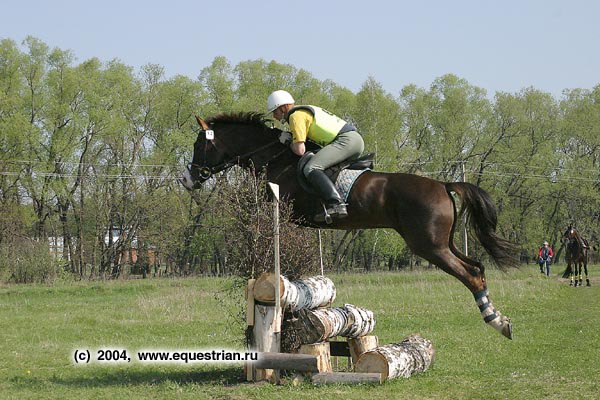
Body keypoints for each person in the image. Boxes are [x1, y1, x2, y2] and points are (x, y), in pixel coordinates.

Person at [267, 90, 364, 222]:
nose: (274, 116)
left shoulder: (295, 116)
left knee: (311, 168)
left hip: (345, 141)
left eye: (275, 111)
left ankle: (336, 204)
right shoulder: (304, 111)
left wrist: (288, 141)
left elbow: (300, 150)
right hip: (353, 140)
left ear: (283, 107)